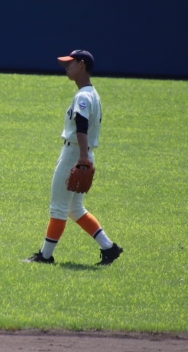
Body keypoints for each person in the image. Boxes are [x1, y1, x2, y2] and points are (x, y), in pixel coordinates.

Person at [24, 50, 122, 265]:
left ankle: (45, 256)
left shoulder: (84, 96)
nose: (66, 68)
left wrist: (83, 157)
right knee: (74, 209)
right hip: (83, 152)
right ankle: (109, 248)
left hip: (75, 153)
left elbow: (82, 126)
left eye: (70, 63)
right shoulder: (91, 93)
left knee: (58, 207)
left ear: (82, 65)